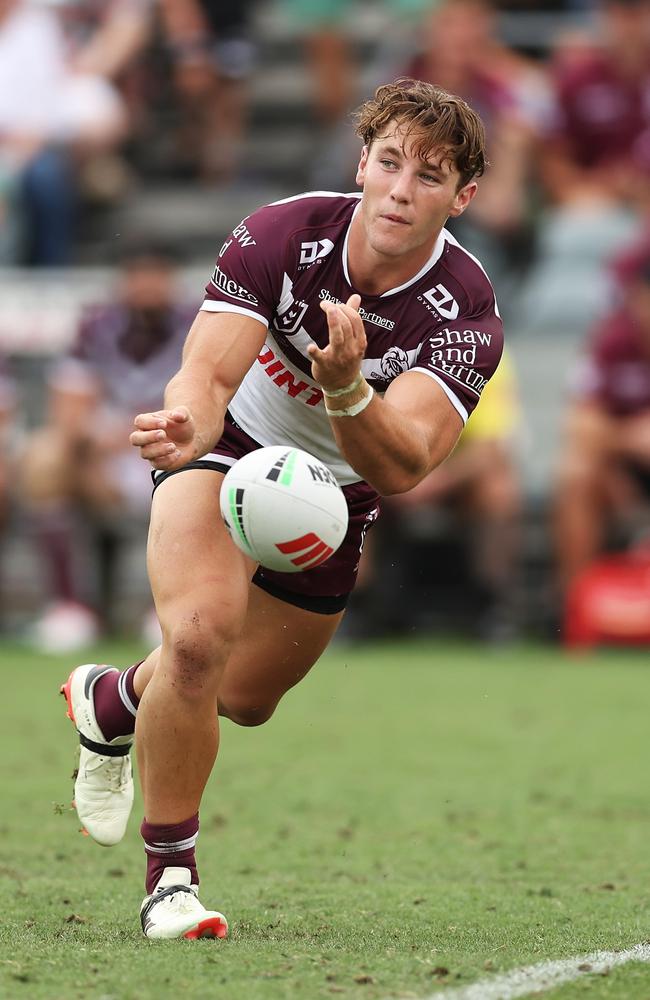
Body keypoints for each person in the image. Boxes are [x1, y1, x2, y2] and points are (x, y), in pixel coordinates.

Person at [59, 79, 503, 940]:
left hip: (338, 490)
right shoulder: (281, 232)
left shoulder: (467, 310)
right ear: (362, 164)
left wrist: (344, 392)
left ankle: (113, 703)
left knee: (244, 697)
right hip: (231, 445)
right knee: (196, 639)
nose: (403, 189)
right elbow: (207, 370)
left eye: (430, 175)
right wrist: (187, 422)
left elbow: (405, 462)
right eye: (389, 163)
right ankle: (171, 878)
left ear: (464, 196)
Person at [21, 241, 192, 649]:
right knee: (45, 456)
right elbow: (68, 408)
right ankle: (69, 608)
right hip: (108, 453)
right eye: (138, 275)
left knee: (207, 459)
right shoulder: (95, 327)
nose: (147, 286)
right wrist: (94, 452)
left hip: (176, 450)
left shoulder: (197, 325)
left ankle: (170, 609)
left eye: (156, 275)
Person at [553, 234, 650, 599]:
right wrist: (628, 440)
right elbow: (580, 424)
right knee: (577, 474)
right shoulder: (613, 343)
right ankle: (578, 610)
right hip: (625, 471)